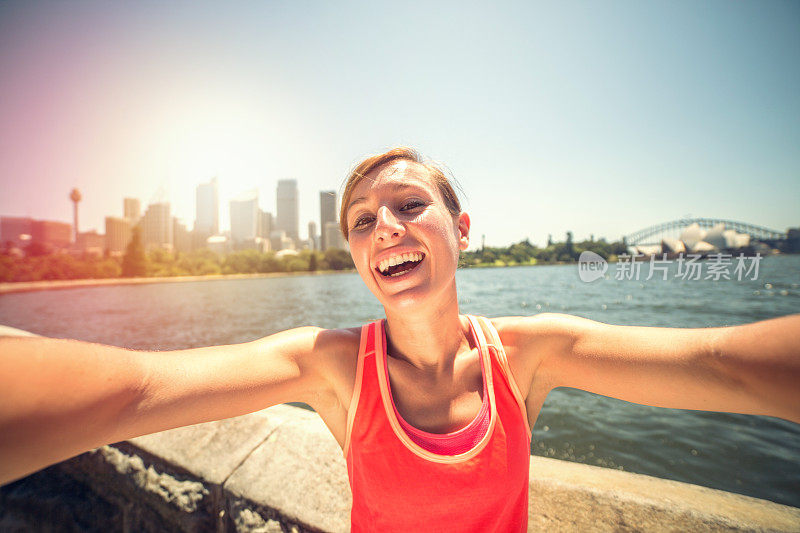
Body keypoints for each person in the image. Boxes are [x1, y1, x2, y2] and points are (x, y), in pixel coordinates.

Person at [0, 147, 798, 532]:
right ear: (355, 254)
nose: (386, 225)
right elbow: (137, 388)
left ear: (463, 228)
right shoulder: (332, 365)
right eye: (362, 220)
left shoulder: (528, 354)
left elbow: (719, 365)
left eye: (410, 205)